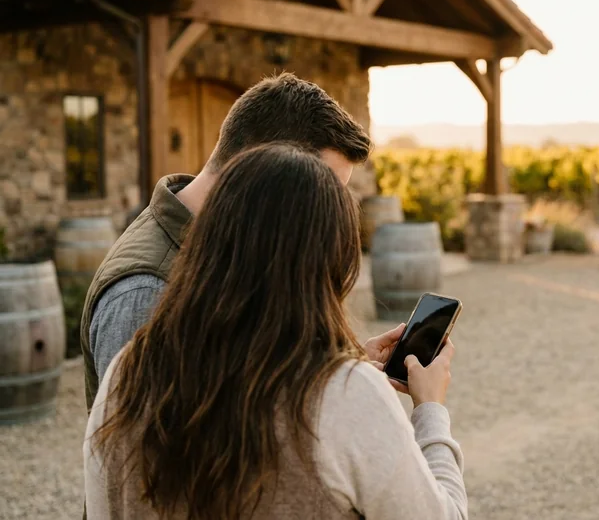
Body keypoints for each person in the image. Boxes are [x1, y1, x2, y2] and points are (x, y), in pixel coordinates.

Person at [84, 143, 467, 519]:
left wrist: (347, 369)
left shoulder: (126, 372)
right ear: (326, 264)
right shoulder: (347, 396)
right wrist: (430, 409)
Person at [80, 73, 386, 413]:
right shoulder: (144, 292)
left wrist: (347, 371)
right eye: (321, 189)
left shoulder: (236, 241)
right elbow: (142, 457)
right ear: (262, 167)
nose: (327, 210)